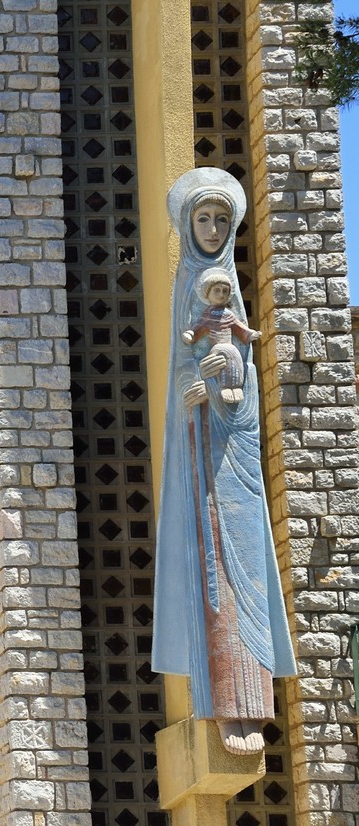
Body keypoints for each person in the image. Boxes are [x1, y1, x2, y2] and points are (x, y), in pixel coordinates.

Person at [153, 168, 296, 754]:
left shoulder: (227, 288)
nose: (211, 228)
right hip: (197, 448)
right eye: (202, 219)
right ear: (187, 225)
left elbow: (243, 362)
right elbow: (184, 370)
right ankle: (221, 701)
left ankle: (253, 701)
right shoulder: (187, 290)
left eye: (220, 219)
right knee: (210, 564)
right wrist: (192, 397)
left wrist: (230, 387)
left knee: (246, 563)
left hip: (232, 448)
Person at [182, 267, 260, 405]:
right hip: (217, 348)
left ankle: (235, 387)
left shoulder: (228, 314)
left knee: (235, 360)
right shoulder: (207, 314)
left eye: (225, 291)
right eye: (216, 291)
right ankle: (224, 387)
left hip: (230, 346)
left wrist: (250, 334)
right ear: (207, 293)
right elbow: (199, 328)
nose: (221, 294)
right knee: (219, 362)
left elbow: (239, 327)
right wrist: (190, 335)